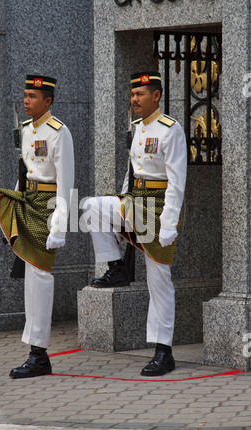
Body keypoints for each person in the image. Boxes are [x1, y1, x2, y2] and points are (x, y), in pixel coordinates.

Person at [0, 74, 74, 378]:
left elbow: (66, 183)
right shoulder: (27, 130)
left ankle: (38, 354)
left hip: (45, 207)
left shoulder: (60, 133)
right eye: (25, 95)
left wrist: (59, 225)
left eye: (32, 96)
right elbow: (24, 175)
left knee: (38, 279)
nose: (26, 100)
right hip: (23, 199)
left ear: (47, 100)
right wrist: (6, 210)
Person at [83, 71, 187, 376]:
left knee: (159, 281)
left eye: (140, 94)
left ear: (156, 96)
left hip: (157, 208)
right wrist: (121, 202)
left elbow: (177, 182)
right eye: (132, 95)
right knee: (91, 207)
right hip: (134, 201)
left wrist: (169, 223)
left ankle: (163, 351)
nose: (134, 100)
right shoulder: (138, 127)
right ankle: (116, 267)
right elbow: (133, 172)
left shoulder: (171, 129)